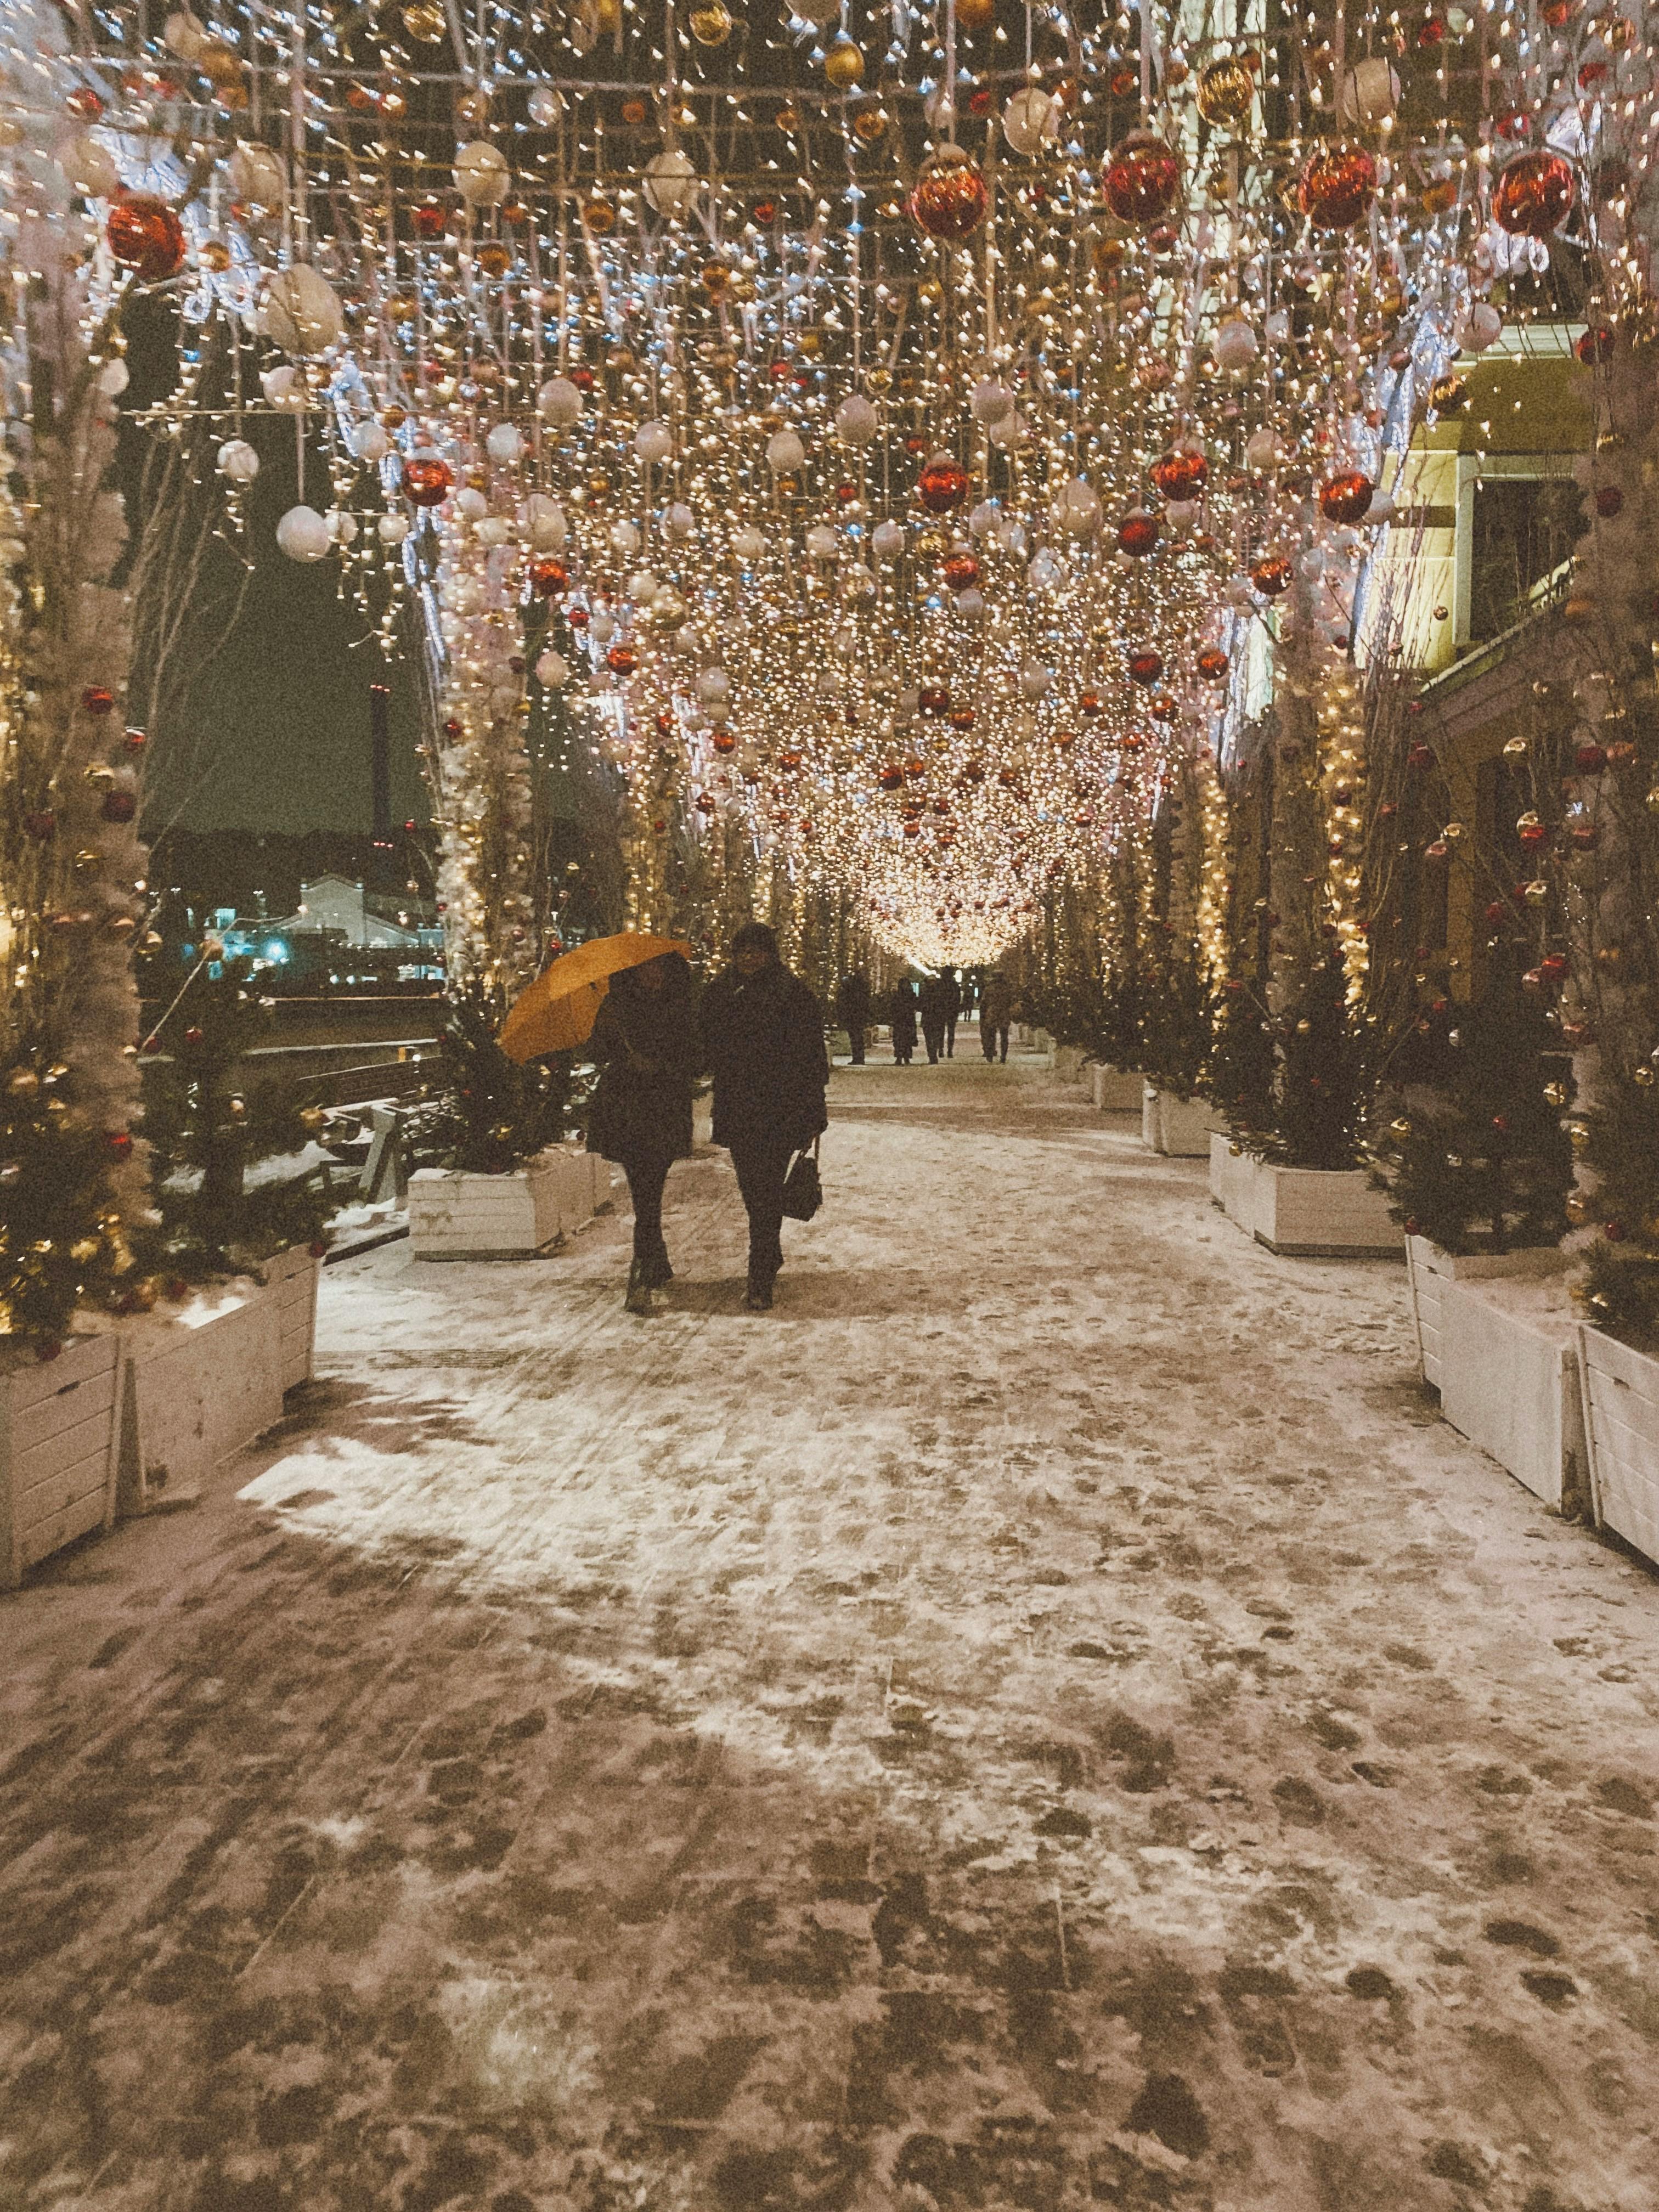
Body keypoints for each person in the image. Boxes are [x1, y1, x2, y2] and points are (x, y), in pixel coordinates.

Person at [699, 921, 830, 1311]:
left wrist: (812, 1115)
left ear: (770, 953)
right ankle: (768, 1256)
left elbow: (812, 1059)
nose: (749, 958)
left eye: (756, 951)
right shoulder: (720, 993)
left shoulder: (793, 994)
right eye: (742, 951)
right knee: (753, 1190)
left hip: (781, 1107)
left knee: (766, 1191)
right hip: (740, 1106)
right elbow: (705, 1043)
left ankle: (760, 1272)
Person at [586, 952, 697, 1317]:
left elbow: (696, 1053)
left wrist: (661, 1065)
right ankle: (644, 1266)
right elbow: (595, 1050)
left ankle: (652, 1258)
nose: (652, 975)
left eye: (658, 968)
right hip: (627, 1106)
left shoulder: (681, 1004)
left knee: (651, 1184)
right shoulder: (616, 1005)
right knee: (643, 1186)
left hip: (664, 1104)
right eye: (644, 968)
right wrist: (612, 1042)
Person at [836, 968, 872, 1065]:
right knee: (858, 1037)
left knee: (855, 1038)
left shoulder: (850, 992)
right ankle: (859, 1057)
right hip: (858, 1017)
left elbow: (845, 1004)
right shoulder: (861, 991)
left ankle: (858, 1058)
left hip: (853, 1017)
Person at [981, 969, 1013, 1064]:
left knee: (991, 1034)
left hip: (992, 1012)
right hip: (1004, 1012)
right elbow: (1011, 1001)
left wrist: (984, 1014)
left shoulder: (989, 988)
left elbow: (984, 1002)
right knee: (1004, 1035)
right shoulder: (1007, 989)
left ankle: (990, 1054)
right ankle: (1003, 1056)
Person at [918, 971, 950, 1065]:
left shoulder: (926, 992)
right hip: (934, 1018)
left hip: (933, 1018)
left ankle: (932, 1055)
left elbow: (920, 1004)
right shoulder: (939, 993)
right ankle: (933, 1055)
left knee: (932, 1038)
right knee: (932, 1038)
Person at [889, 978, 918, 1067]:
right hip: (903, 1020)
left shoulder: (900, 996)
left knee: (904, 1040)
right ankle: (902, 1057)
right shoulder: (907, 995)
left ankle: (904, 1057)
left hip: (904, 1020)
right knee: (902, 1040)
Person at [942, 968, 963, 1059]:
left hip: (942, 1010)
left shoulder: (940, 985)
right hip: (952, 1010)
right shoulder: (955, 985)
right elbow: (957, 999)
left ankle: (941, 1048)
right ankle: (950, 1050)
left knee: (940, 1031)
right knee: (951, 1031)